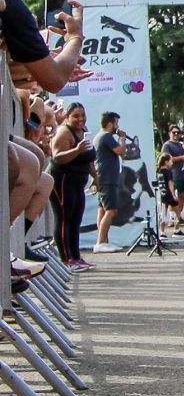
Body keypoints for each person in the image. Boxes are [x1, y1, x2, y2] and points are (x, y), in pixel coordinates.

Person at [48, 102, 97, 272]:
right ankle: (66, 259)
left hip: (79, 182)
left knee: (76, 220)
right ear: (68, 117)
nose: (80, 119)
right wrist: (76, 150)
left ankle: (76, 257)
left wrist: (96, 179)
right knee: (64, 219)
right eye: (76, 116)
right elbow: (57, 157)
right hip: (62, 181)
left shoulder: (84, 131)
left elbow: (90, 159)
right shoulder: (63, 132)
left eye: (82, 115)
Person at [92, 111, 126, 253]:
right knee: (111, 211)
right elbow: (121, 151)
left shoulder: (100, 136)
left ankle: (103, 241)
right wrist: (122, 138)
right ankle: (101, 242)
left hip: (103, 178)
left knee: (102, 210)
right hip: (107, 179)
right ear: (110, 123)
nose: (117, 126)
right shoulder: (106, 136)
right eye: (116, 123)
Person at [161, 124, 184, 225]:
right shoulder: (167, 145)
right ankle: (172, 219)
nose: (176, 134)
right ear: (169, 133)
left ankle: (179, 216)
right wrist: (182, 158)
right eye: (174, 132)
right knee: (172, 197)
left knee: (182, 196)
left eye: (178, 133)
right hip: (173, 174)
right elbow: (166, 159)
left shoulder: (181, 145)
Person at [155, 153, 181, 238]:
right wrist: (174, 195)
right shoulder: (168, 172)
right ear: (166, 162)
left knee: (162, 214)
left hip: (161, 194)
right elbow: (170, 183)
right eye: (171, 161)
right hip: (168, 194)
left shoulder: (157, 171)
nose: (172, 163)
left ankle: (162, 232)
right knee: (177, 210)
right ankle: (176, 230)